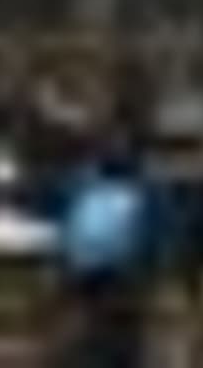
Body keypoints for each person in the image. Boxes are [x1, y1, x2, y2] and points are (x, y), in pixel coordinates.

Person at [54, 144, 156, 368]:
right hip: (120, 274)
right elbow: (148, 240)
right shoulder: (136, 195)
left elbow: (67, 233)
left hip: (84, 269)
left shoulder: (83, 191)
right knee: (123, 327)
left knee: (95, 322)